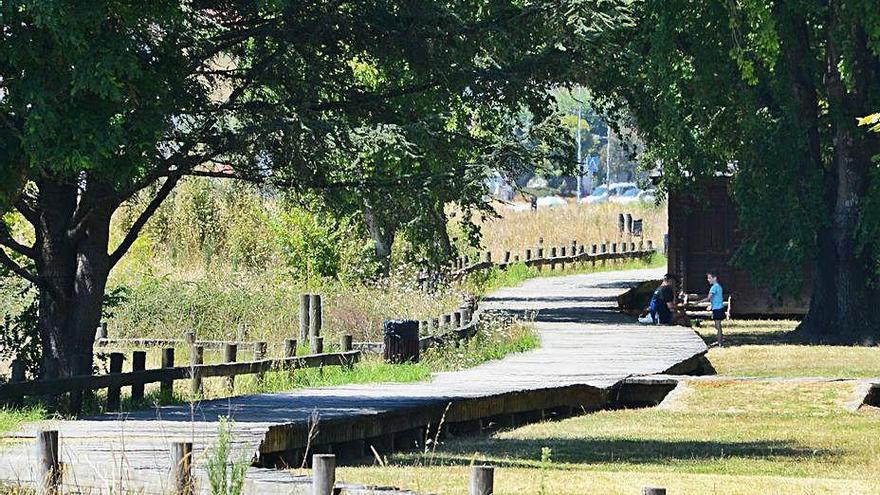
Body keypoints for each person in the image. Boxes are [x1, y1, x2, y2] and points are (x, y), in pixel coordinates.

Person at [697, 270, 724, 347]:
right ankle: (720, 340)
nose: (708, 280)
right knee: (718, 326)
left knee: (718, 326)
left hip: (717, 309)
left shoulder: (713, 287)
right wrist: (711, 305)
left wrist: (698, 302)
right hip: (719, 308)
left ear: (714, 278)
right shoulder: (719, 286)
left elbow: (709, 298)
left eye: (709, 278)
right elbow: (717, 298)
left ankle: (720, 343)